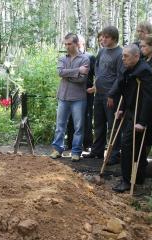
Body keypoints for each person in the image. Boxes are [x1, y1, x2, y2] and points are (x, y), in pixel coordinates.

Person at [111, 45, 152, 193]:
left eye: (126, 56)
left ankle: (126, 180)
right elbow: (127, 92)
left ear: (136, 56)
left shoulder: (144, 71)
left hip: (140, 113)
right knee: (136, 146)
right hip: (130, 110)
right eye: (123, 55)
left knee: (127, 145)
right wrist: (122, 109)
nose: (123, 58)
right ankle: (138, 177)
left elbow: (150, 98)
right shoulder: (128, 68)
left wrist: (142, 122)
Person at [83, 26, 124, 165]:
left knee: (112, 126)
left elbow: (120, 77)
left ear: (114, 38)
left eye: (106, 37)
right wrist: (96, 85)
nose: (103, 39)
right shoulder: (102, 51)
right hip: (99, 94)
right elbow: (98, 69)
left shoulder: (120, 53)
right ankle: (97, 151)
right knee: (99, 124)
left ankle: (113, 155)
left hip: (111, 96)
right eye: (103, 37)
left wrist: (112, 94)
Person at [50, 33, 90, 162]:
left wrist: (67, 75)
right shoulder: (63, 58)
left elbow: (82, 80)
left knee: (79, 127)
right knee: (60, 125)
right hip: (63, 96)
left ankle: (76, 152)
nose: (67, 46)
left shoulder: (85, 59)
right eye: (65, 44)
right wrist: (78, 70)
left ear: (76, 44)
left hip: (78, 98)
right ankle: (57, 149)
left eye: (69, 44)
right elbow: (60, 72)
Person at [66, 35, 96, 151]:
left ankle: (87, 144)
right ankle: (70, 143)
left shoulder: (90, 57)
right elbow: (64, 72)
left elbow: (95, 74)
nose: (75, 45)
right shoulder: (69, 57)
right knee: (71, 117)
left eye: (77, 43)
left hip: (86, 91)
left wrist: (94, 87)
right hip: (71, 90)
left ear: (82, 43)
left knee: (87, 116)